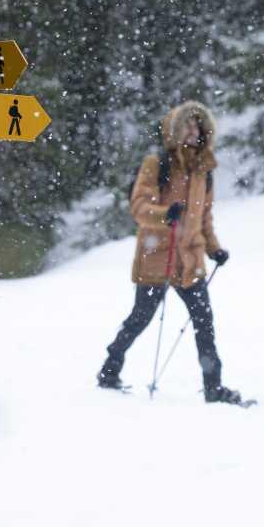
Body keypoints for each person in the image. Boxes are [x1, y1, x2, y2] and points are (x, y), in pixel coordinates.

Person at [97, 100, 245, 405]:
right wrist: (165, 215)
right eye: (187, 126)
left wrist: (215, 249)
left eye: (198, 126)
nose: (193, 131)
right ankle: (109, 370)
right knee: (140, 318)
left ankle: (213, 387)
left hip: (190, 261)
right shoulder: (157, 163)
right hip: (158, 256)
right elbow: (139, 207)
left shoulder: (204, 170)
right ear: (174, 131)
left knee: (204, 322)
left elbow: (204, 217)